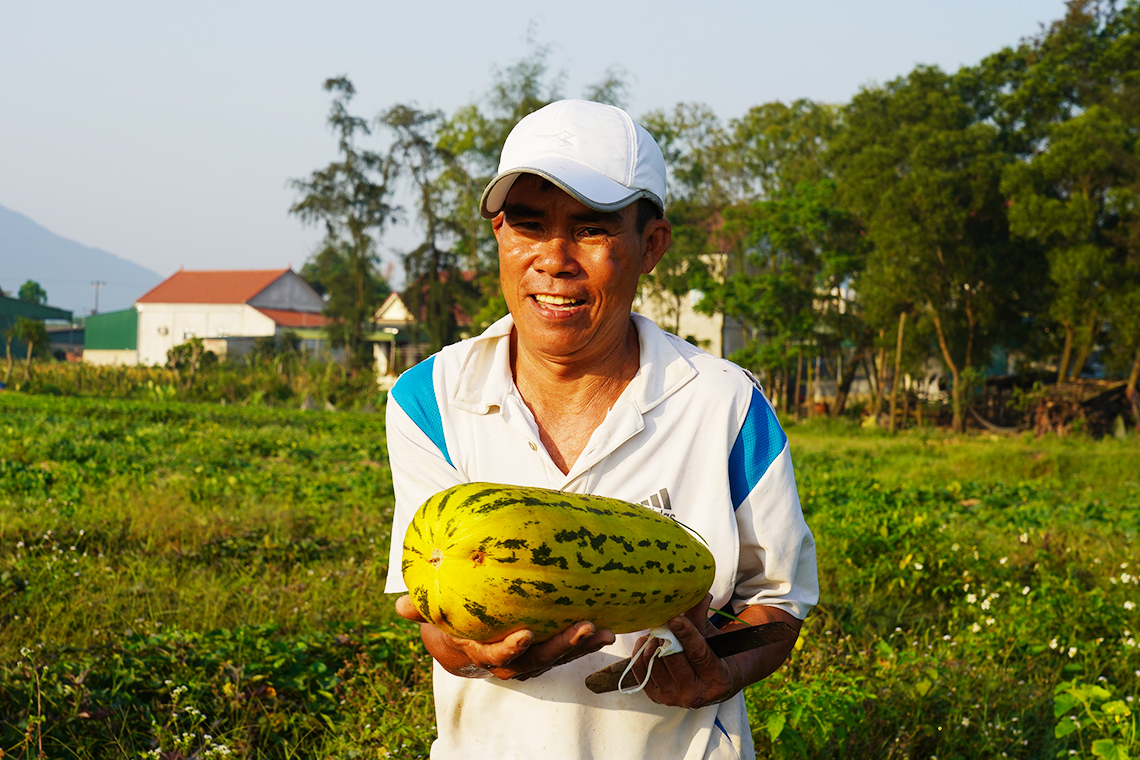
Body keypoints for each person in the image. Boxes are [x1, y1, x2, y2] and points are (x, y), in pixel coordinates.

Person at [384, 99, 817, 760]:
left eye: (590, 230)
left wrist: (719, 667)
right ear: (499, 234)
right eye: (528, 225)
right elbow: (435, 615)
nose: (554, 259)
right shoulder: (430, 400)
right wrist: (472, 650)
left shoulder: (725, 403)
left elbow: (777, 608)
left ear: (652, 246)